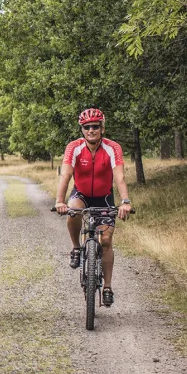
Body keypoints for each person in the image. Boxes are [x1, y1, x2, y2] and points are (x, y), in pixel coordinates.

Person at [54, 108, 133, 308]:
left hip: (104, 197)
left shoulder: (112, 148)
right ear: (82, 130)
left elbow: (120, 177)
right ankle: (75, 247)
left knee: (105, 240)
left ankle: (107, 287)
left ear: (102, 128)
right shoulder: (74, 147)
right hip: (81, 195)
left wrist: (125, 201)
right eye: (87, 127)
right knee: (73, 210)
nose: (91, 130)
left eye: (95, 127)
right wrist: (59, 201)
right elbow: (65, 175)